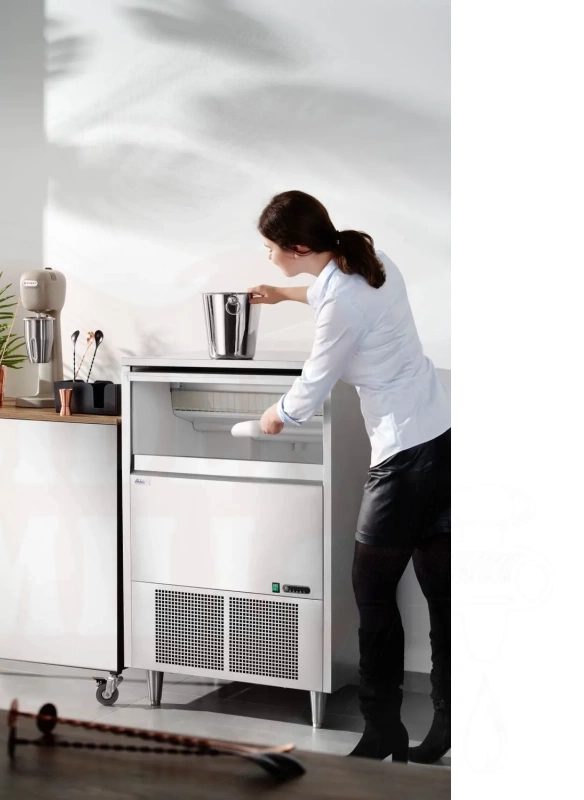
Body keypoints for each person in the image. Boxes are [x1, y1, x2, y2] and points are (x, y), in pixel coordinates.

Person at [249, 190, 451, 764]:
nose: (267, 256)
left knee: (372, 591)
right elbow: (328, 291)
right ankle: (447, 723)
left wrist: (274, 415)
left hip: (404, 456)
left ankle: (383, 729)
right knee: (442, 595)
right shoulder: (370, 260)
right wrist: (282, 295)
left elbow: (312, 385)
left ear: (298, 247)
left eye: (271, 248)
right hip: (443, 437)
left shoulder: (342, 303)